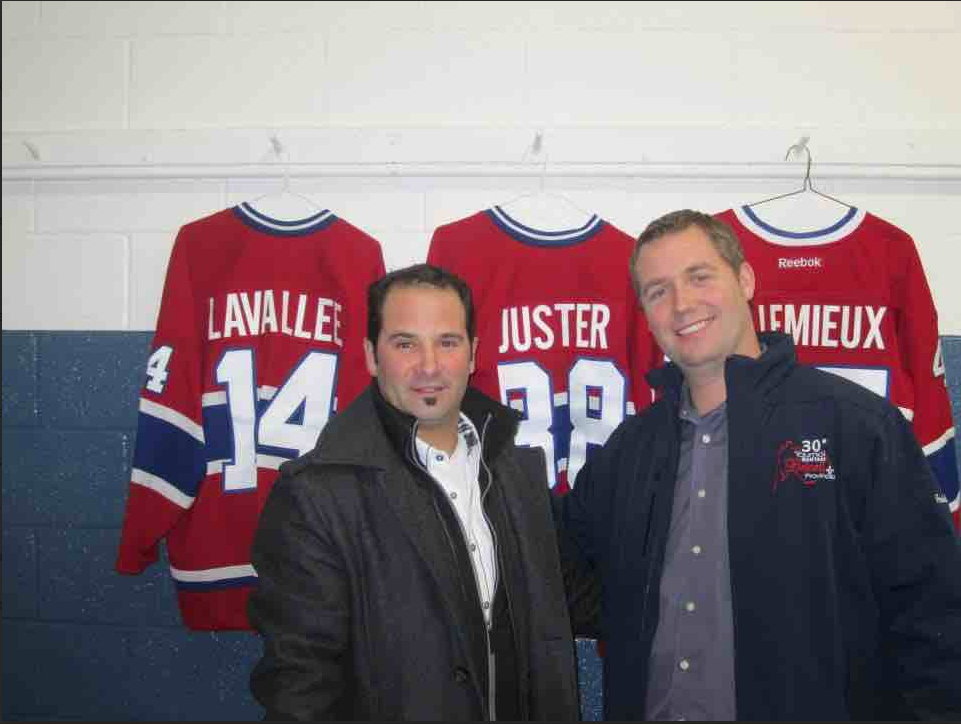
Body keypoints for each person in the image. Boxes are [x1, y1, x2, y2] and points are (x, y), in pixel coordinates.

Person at [557, 209, 961, 720]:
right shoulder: (629, 451)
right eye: (658, 291)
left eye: (699, 276)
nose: (682, 304)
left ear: (745, 279)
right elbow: (553, 573)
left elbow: (932, 617)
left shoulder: (857, 428)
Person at [247, 263, 588, 721]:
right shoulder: (315, 496)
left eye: (447, 342)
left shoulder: (517, 476)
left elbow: (574, 603)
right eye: (405, 343)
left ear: (471, 355)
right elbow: (300, 688)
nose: (429, 365)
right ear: (371, 356)